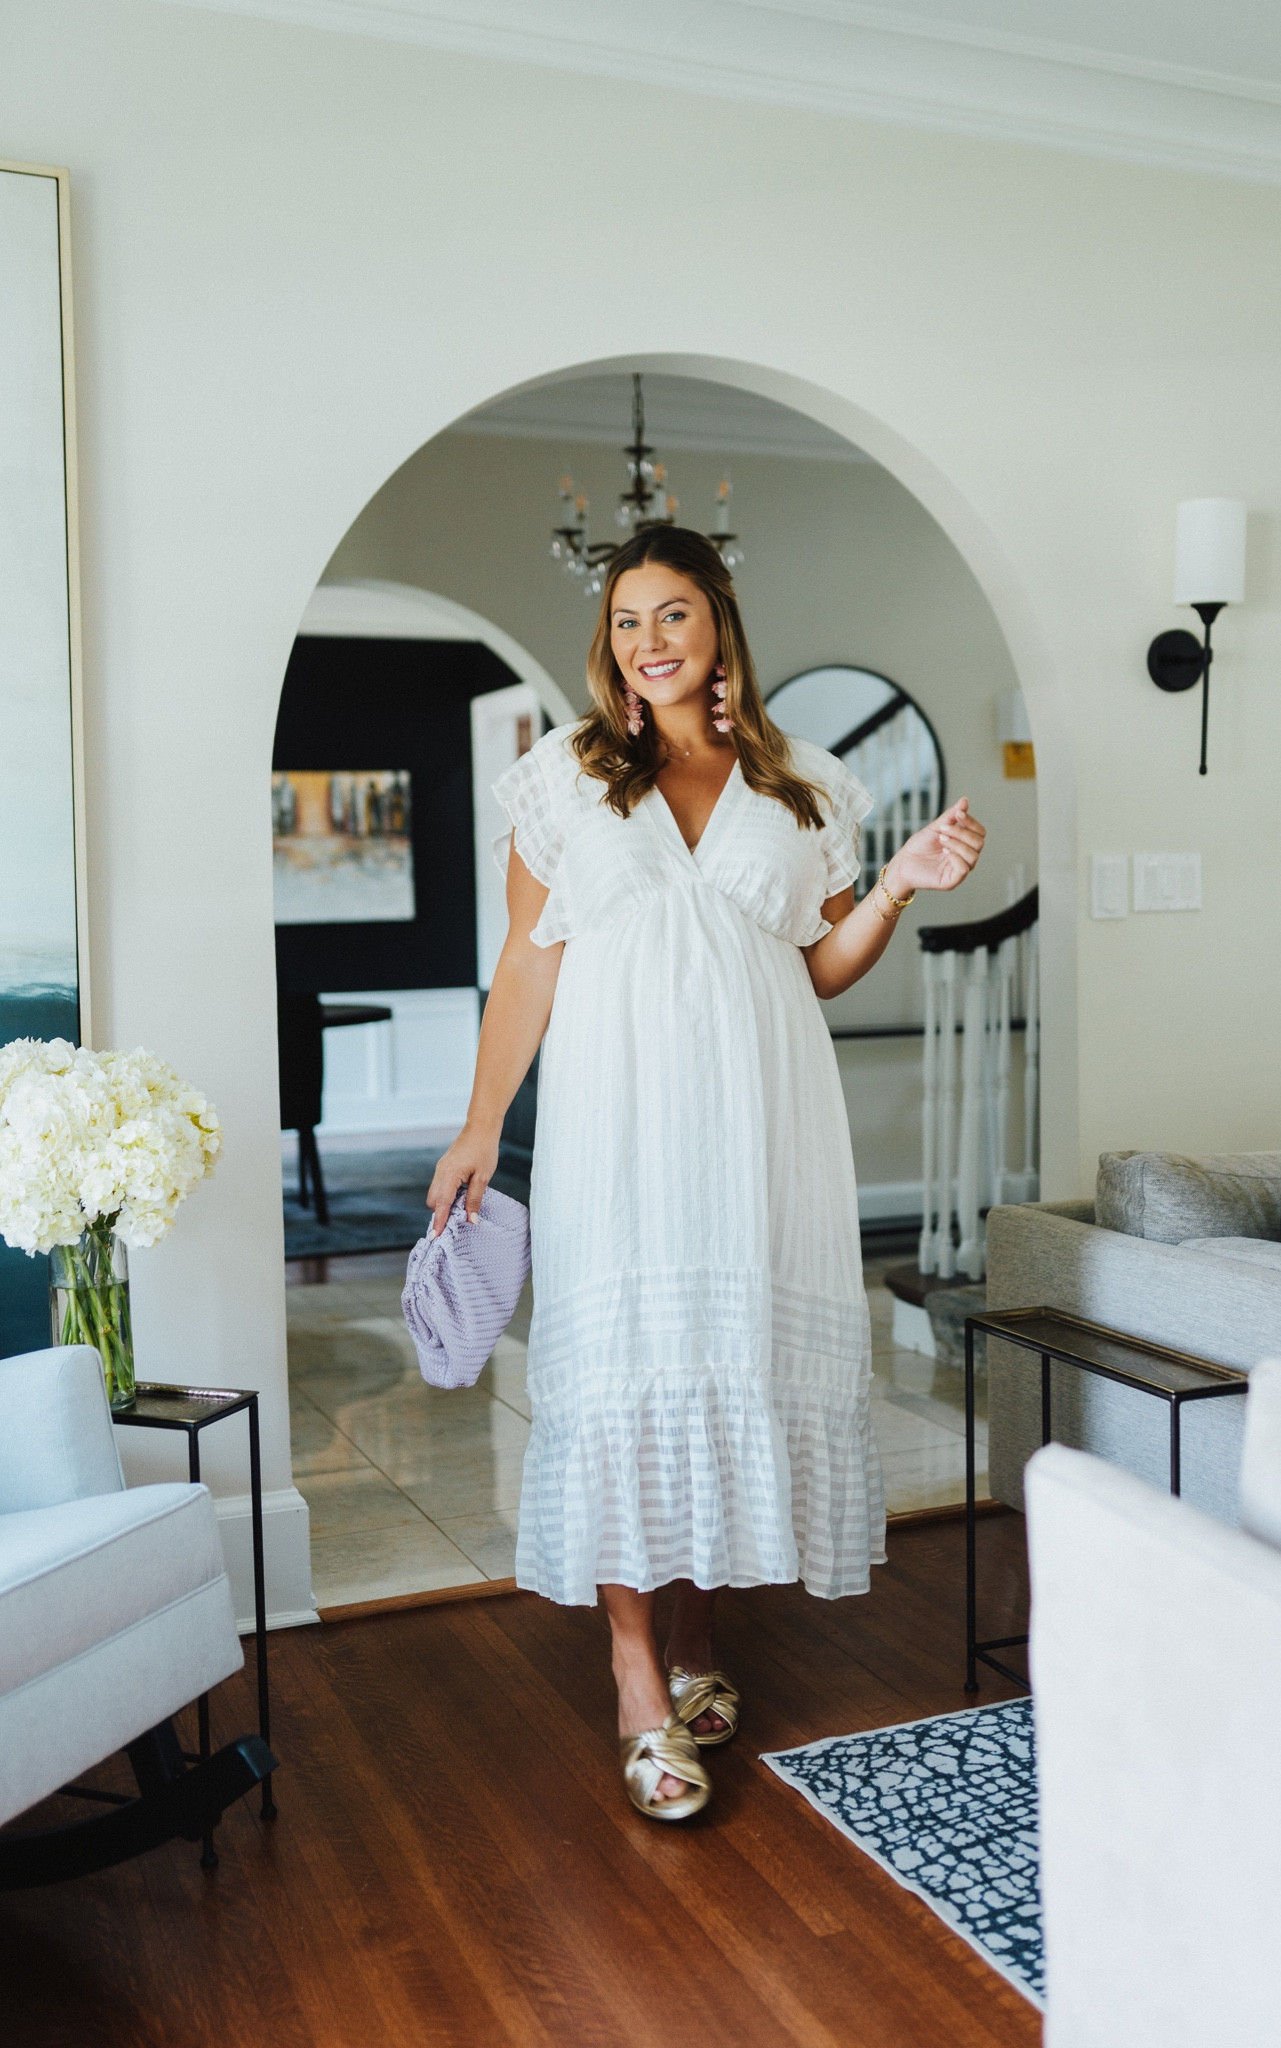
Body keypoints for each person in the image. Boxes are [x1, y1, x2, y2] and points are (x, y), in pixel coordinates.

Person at [427, 527, 986, 1820]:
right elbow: (527, 965)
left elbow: (817, 967)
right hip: (615, 1123)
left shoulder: (804, 781)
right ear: (607, 640)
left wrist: (896, 882)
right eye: (627, 621)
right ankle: (634, 1678)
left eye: (671, 614)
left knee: (721, 1367)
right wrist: (475, 1123)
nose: (649, 641)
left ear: (717, 624)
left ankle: (693, 1637)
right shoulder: (563, 778)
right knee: (631, 1373)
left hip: (763, 1123)